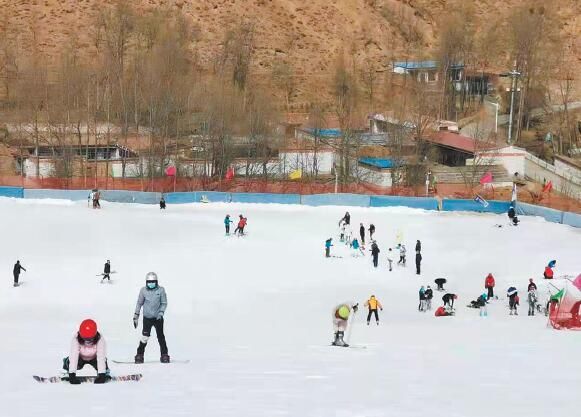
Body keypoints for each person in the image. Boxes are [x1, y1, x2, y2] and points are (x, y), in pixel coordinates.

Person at [133, 272, 169, 363]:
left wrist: (161, 313)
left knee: (161, 336)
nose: (151, 283)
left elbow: (164, 303)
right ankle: (139, 355)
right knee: (145, 337)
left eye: (153, 282)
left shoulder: (161, 290)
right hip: (147, 318)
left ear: (156, 282)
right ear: (146, 282)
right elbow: (139, 303)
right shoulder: (143, 290)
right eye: (149, 282)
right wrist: (136, 316)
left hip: (158, 318)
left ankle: (164, 355)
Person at [62, 319, 109, 385]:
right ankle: (66, 368)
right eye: (85, 338)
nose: (87, 341)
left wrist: (102, 374)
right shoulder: (75, 338)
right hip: (80, 357)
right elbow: (74, 356)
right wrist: (72, 374)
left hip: (94, 358)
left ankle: (106, 371)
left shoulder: (100, 339)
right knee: (70, 360)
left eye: (90, 339)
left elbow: (101, 356)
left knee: (103, 360)